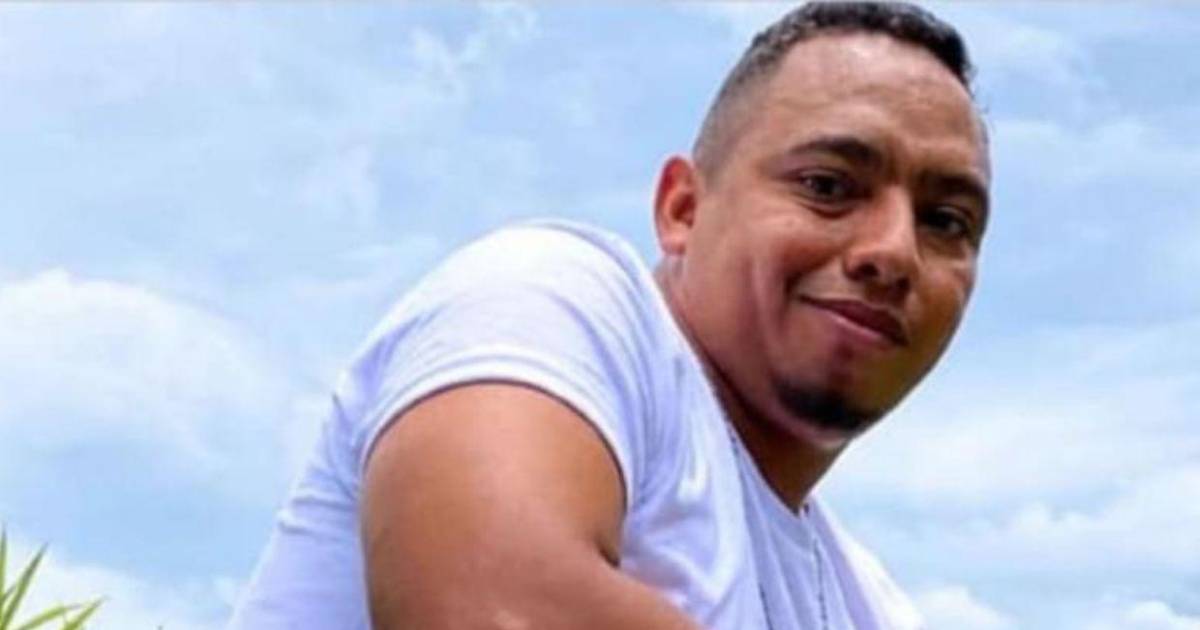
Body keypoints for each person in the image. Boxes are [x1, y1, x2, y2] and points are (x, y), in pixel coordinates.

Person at [229, 2, 989, 628]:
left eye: (947, 222)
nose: (894, 251)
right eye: (827, 186)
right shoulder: (551, 301)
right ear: (682, 210)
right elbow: (499, 611)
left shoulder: (870, 605)